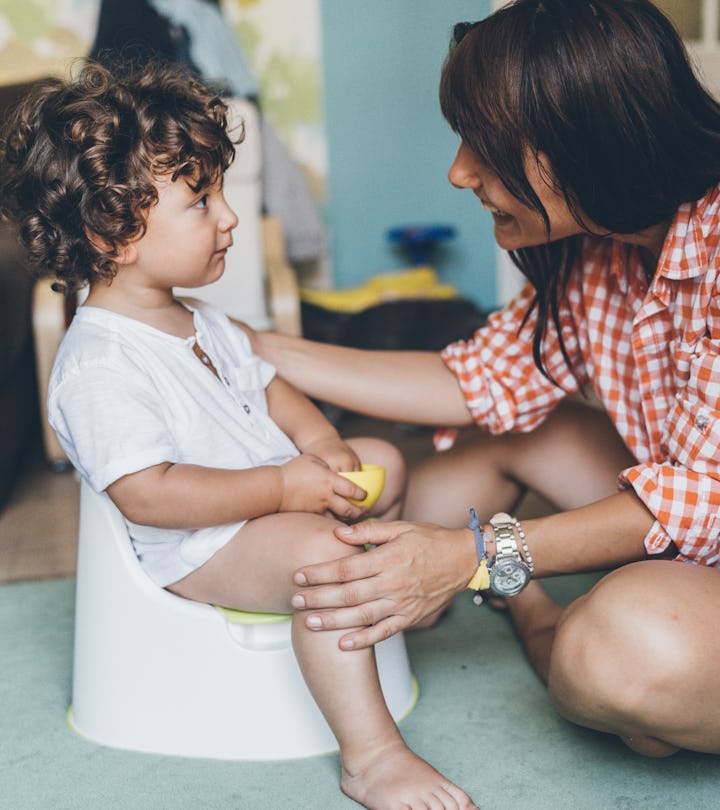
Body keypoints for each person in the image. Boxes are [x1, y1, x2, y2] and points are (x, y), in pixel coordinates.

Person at [0, 61, 478, 810]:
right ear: (113, 231)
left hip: (269, 505)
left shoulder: (202, 319)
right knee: (326, 559)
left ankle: (387, 600)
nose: (228, 218)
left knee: (381, 457)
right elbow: (150, 496)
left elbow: (276, 391)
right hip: (200, 544)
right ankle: (374, 757)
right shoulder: (99, 362)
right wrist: (287, 486)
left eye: (220, 191)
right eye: (201, 200)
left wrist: (320, 446)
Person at [252, 0, 720, 759]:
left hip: (703, 515)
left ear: (588, 138)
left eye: (487, 145)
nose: (459, 171)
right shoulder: (603, 245)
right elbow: (473, 379)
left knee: (619, 655)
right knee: (471, 466)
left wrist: (474, 557)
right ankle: (518, 592)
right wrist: (254, 346)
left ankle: (536, 616)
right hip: (693, 517)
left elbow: (707, 496)